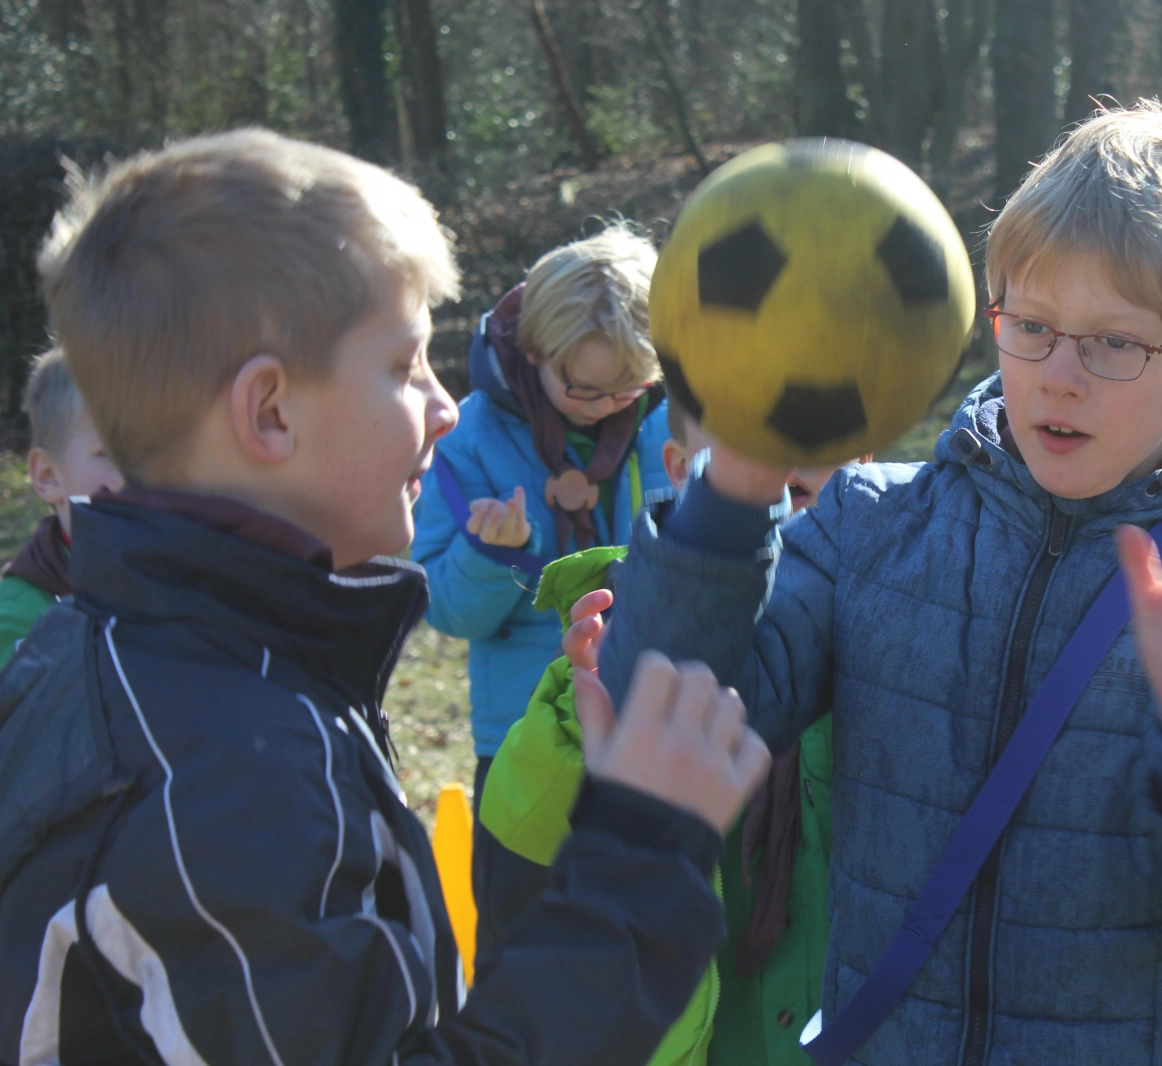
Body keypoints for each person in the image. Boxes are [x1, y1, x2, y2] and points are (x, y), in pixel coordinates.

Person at [598, 101, 1162, 1065]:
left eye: (1115, 344)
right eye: (1033, 326)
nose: (1060, 375)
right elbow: (664, 722)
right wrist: (734, 491)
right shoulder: (869, 526)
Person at [0, 128, 770, 1066]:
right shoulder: (229, 781)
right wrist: (643, 850)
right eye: (408, 366)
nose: (446, 408)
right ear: (270, 412)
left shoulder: (146, 657)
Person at [477, 397, 860, 1066]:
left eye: (798, 484)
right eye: (746, 466)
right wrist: (592, 701)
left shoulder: (888, 633)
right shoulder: (622, 633)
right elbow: (526, 834)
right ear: (680, 470)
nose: (777, 460)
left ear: (863, 466)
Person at [411, 224, 672, 919]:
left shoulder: (671, 425)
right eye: (584, 390)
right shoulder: (465, 442)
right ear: (534, 354)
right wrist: (492, 555)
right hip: (530, 741)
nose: (609, 407)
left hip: (657, 730)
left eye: (630, 389)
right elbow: (447, 610)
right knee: (523, 947)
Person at [0, 347, 122, 668]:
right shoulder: (14, 622)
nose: (142, 474)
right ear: (48, 476)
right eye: (111, 451)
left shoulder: (203, 588)